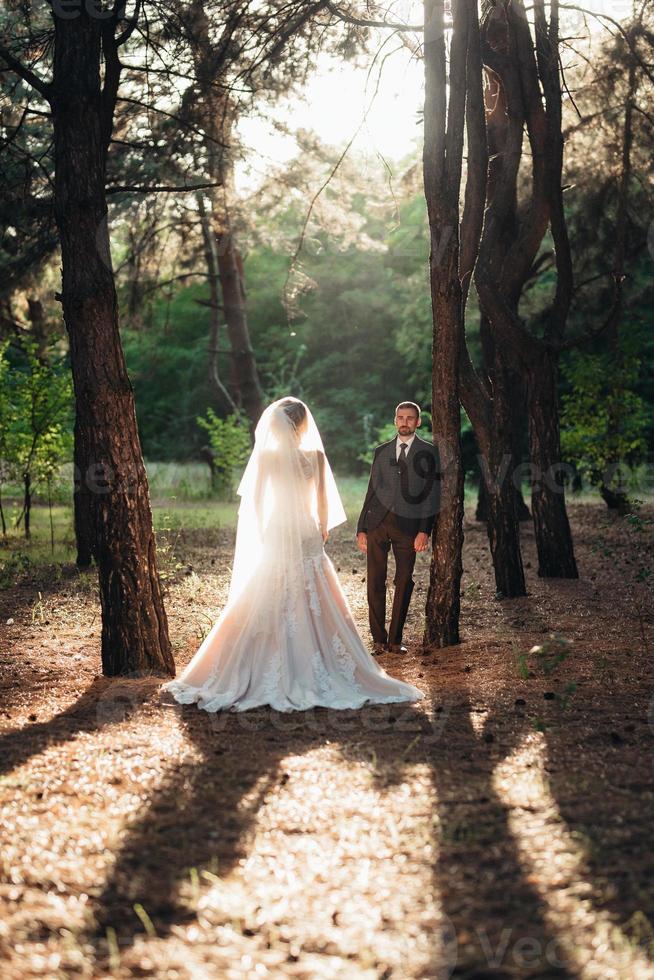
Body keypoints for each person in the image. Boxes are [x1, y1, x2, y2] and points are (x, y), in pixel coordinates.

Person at [163, 397, 423, 713]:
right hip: (306, 529)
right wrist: (322, 528)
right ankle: (320, 658)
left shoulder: (268, 457)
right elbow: (323, 502)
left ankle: (256, 662)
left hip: (277, 528)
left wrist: (262, 529)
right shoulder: (315, 456)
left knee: (267, 587)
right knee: (314, 587)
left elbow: (256, 502)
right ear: (302, 425)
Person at [357, 402, 440, 655]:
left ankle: (395, 640)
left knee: (403, 580)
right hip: (377, 524)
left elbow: (432, 494)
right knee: (375, 581)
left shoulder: (429, 452)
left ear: (418, 422)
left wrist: (425, 530)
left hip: (409, 528)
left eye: (410, 418)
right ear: (395, 421)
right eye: (401, 417)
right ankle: (378, 640)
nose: (405, 422)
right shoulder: (381, 451)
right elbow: (372, 490)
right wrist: (362, 527)